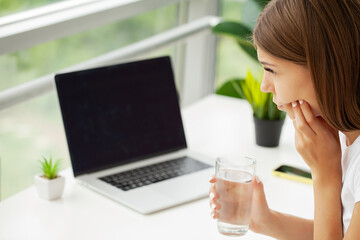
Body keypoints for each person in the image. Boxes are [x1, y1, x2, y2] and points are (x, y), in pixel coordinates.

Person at [209, 0, 360, 239]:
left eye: (271, 70)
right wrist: (268, 222)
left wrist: (326, 176)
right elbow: (343, 232)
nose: (264, 86)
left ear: (323, 67)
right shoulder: (347, 135)